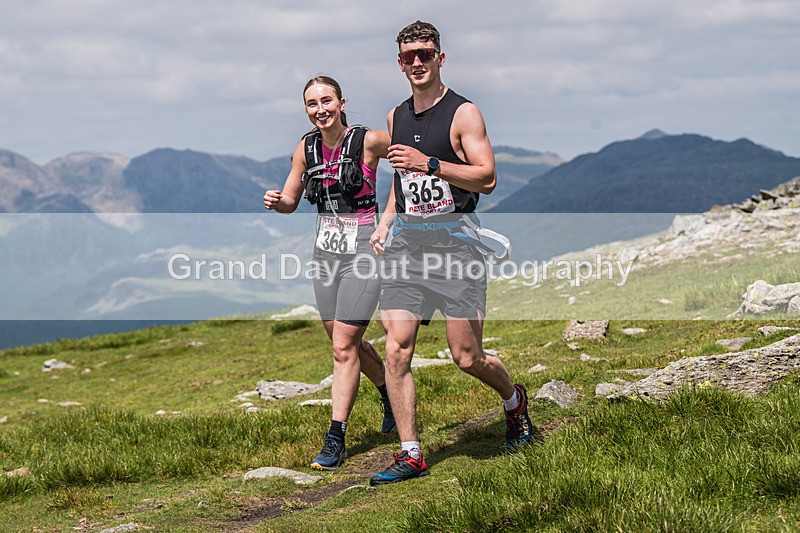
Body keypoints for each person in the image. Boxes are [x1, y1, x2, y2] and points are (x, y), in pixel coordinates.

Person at [368, 21, 534, 486]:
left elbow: (487, 177)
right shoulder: (395, 117)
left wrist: (431, 164)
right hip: (407, 246)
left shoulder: (464, 113)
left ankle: (514, 400)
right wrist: (385, 222)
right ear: (399, 63)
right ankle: (411, 454)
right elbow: (402, 181)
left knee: (466, 357)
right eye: (408, 56)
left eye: (425, 53)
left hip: (455, 246)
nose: (417, 62)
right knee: (396, 350)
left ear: (440, 58)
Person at [263, 76, 394, 471]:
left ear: (341, 102)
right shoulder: (306, 148)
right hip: (326, 255)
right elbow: (291, 199)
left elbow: (411, 165)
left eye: (326, 101)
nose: (320, 109)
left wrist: (389, 218)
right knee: (342, 340)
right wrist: (277, 202)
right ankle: (390, 395)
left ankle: (335, 438)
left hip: (364, 251)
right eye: (312, 103)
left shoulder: (369, 141)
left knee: (342, 346)